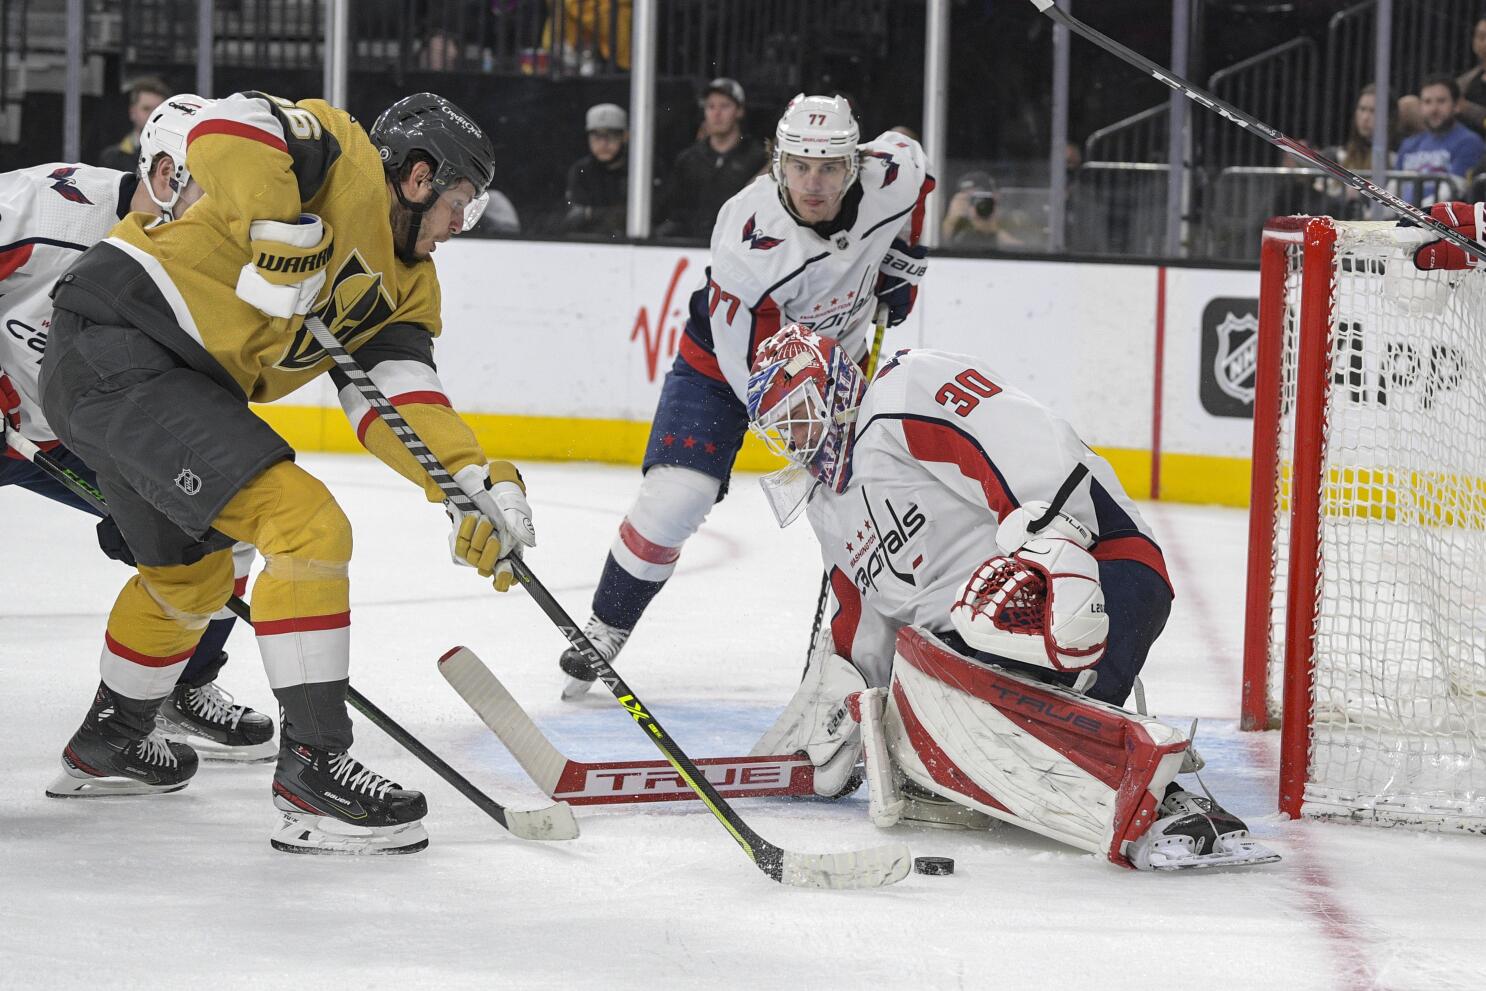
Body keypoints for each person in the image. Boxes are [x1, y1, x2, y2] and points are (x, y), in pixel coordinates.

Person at [39, 91, 536, 856]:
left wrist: (469, 482)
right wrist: (281, 232)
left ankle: (111, 741)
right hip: (121, 340)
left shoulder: (410, 285)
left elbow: (396, 401)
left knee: (193, 581)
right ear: (419, 177)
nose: (456, 227)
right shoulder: (340, 154)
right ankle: (314, 772)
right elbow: (222, 129)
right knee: (305, 523)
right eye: (458, 206)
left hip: (156, 378)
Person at [741, 326, 1278, 871]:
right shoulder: (828, 506)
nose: (795, 436)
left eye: (799, 412)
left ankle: (1155, 793)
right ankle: (1094, 765)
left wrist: (1047, 545)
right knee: (930, 691)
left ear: (834, 389)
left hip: (1103, 562)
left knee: (984, 627)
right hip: (986, 634)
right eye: (780, 429)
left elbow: (1026, 441)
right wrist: (837, 712)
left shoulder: (902, 391)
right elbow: (863, 622)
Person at [557, 93, 935, 698]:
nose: (813, 184)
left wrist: (904, 261)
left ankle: (871, 664)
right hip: (726, 364)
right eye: (798, 166)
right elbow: (750, 370)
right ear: (776, 160)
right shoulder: (748, 235)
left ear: (854, 162)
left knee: (867, 515)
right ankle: (605, 626)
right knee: (678, 496)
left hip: (837, 361)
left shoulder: (891, 174)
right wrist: (813, 434)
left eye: (830, 168)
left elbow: (916, 166)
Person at [2, 98, 272, 763]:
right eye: (214, 192)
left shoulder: (203, 267)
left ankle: (179, 685)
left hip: (69, 430)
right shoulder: (43, 212)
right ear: (162, 174)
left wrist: (149, 503)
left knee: (224, 518)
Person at [655, 78, 768, 240]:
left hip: (737, 246)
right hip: (691, 247)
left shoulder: (757, 157)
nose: (716, 113)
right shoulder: (688, 159)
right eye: (710, 106)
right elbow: (674, 211)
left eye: (724, 106)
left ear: (739, 111)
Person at [1396, 75, 1486, 205]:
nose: (1434, 109)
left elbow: (1454, 190)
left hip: (1438, 221)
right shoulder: (1408, 144)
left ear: (1456, 105)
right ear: (1420, 107)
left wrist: (1413, 213)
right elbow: (1393, 187)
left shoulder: (1469, 142)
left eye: (1441, 101)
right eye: (1427, 102)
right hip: (1399, 219)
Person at [561, 103, 629, 236]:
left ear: (625, 137)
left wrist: (591, 213)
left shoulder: (638, 170)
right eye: (596, 136)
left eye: (612, 136)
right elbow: (574, 217)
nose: (603, 144)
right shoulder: (580, 170)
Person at [97, 76, 172, 172]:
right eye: (146, 109)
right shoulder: (111, 159)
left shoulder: (178, 158)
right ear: (132, 112)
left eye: (158, 110)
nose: (153, 115)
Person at [940, 170, 1021, 249]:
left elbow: (1024, 251)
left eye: (979, 197)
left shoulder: (1014, 218)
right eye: (968, 199)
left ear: (996, 195)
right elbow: (939, 250)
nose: (975, 204)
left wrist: (994, 231)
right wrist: (952, 219)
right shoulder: (959, 223)